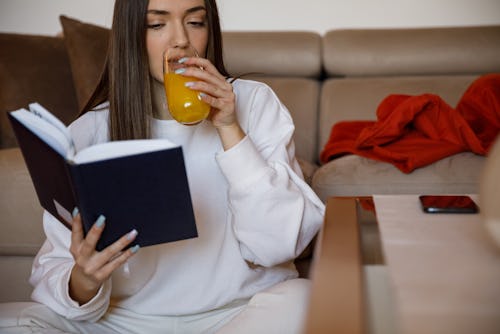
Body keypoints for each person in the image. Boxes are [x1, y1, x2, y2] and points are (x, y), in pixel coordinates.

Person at [0, 0, 324, 333]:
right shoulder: (89, 131)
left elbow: (281, 245)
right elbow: (55, 271)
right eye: (157, 25)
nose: (180, 39)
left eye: (196, 22)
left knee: (305, 300)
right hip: (123, 322)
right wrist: (84, 279)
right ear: (131, 37)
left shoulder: (253, 104)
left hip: (235, 316)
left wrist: (230, 128)